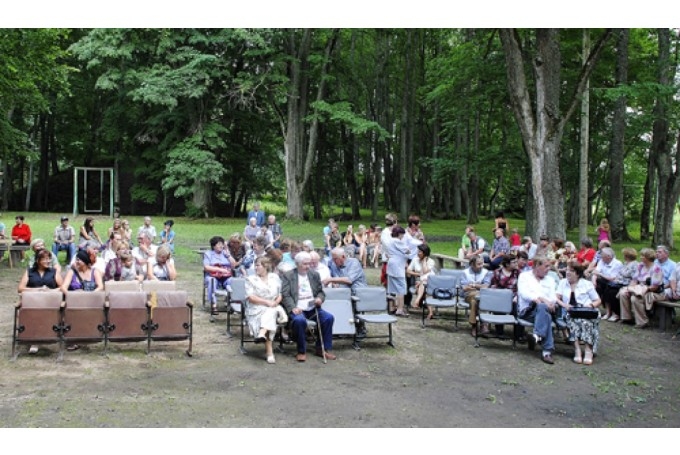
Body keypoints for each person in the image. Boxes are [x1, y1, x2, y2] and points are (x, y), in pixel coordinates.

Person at [280, 252, 335, 362]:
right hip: (297, 308)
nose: (308, 266)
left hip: (312, 307)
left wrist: (319, 299)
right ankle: (301, 351)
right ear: (297, 264)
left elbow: (320, 292)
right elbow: (285, 294)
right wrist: (292, 308)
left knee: (328, 318)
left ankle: (321, 348)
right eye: (305, 264)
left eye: (309, 263)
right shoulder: (288, 276)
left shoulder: (314, 274)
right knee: (299, 321)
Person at [17, 248, 64, 354]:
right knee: (33, 313)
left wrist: (50, 291)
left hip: (50, 302)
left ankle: (44, 337)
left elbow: (62, 287)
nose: (48, 261)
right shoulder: (29, 272)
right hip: (33, 302)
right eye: (45, 259)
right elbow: (20, 288)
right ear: (38, 260)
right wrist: (37, 290)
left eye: (49, 259)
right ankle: (34, 340)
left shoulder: (53, 272)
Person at [556, 261, 602, 365]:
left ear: (577, 273)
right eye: (567, 270)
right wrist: (564, 305)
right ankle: (577, 349)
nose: (568, 272)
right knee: (573, 321)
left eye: (571, 271)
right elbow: (556, 298)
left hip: (587, 311)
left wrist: (590, 306)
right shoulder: (563, 282)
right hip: (571, 311)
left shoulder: (587, 284)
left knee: (586, 322)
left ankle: (588, 350)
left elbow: (598, 300)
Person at [517, 256, 559, 364]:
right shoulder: (524, 276)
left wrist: (548, 302)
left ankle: (537, 335)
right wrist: (539, 298)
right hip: (528, 310)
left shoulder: (550, 280)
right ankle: (546, 351)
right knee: (546, 315)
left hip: (546, 309)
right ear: (536, 266)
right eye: (546, 266)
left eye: (549, 266)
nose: (549, 269)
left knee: (543, 309)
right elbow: (523, 293)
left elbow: (553, 297)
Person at [245, 257, 286, 364]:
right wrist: (267, 303)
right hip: (256, 308)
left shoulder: (275, 277)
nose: (256, 267)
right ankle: (269, 352)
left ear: (266, 266)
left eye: (258, 265)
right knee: (269, 315)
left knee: (270, 312)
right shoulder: (250, 279)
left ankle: (262, 334)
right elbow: (251, 297)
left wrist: (275, 302)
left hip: (274, 305)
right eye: (255, 265)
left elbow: (280, 294)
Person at [618, 248, 661, 329]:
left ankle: (642, 321)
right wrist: (630, 289)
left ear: (648, 258)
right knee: (623, 293)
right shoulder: (640, 266)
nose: (640, 258)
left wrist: (643, 290)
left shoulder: (656, 269)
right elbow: (634, 280)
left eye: (643, 256)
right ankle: (626, 318)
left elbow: (655, 287)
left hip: (652, 291)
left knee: (635, 298)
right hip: (639, 287)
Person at [203, 235, 236, 314]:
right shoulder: (208, 254)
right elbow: (206, 267)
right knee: (212, 281)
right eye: (219, 244)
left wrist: (228, 255)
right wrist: (219, 269)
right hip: (213, 276)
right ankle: (214, 305)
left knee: (233, 281)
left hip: (226, 277)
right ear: (214, 246)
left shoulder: (225, 253)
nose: (221, 246)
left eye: (222, 244)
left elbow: (234, 265)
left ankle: (232, 303)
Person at [642, 245, 677, 319]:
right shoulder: (654, 262)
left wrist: (661, 287)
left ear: (667, 254)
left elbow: (672, 280)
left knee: (663, 292)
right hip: (653, 285)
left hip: (666, 286)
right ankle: (649, 312)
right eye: (656, 252)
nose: (657, 253)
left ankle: (664, 313)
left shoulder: (673, 265)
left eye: (660, 252)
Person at [461, 254, 492, 336]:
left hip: (481, 295)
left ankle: (474, 326)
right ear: (472, 264)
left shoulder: (486, 272)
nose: (481, 266)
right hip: (468, 294)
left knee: (475, 301)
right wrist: (479, 286)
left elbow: (486, 286)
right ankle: (484, 324)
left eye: (482, 263)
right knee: (477, 297)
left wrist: (473, 285)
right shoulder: (465, 272)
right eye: (479, 264)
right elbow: (464, 288)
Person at [489, 254, 520, 336]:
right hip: (501, 297)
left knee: (518, 308)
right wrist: (502, 295)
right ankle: (499, 332)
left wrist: (516, 296)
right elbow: (493, 286)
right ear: (507, 264)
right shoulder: (497, 272)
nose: (516, 263)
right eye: (514, 262)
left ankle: (518, 334)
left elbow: (521, 288)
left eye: (516, 261)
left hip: (514, 297)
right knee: (498, 305)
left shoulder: (518, 273)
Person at [590, 247, 623, 321]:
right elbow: (595, 272)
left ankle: (614, 313)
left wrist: (600, 274)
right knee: (596, 287)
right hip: (604, 282)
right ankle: (604, 311)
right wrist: (593, 281)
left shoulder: (617, 263)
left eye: (602, 255)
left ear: (608, 256)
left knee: (608, 290)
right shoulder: (602, 261)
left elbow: (612, 278)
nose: (601, 257)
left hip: (614, 284)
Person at [386, 226, 411, 317]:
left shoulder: (390, 241)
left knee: (392, 288)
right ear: (399, 234)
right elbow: (407, 250)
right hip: (397, 267)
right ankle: (400, 309)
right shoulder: (396, 241)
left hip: (392, 265)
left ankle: (391, 307)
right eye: (402, 235)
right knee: (401, 288)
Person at [406, 244, 436, 315]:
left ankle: (417, 300)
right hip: (419, 281)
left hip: (430, 282)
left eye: (420, 252)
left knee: (423, 284)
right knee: (426, 291)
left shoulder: (431, 261)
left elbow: (425, 271)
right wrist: (418, 274)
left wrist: (424, 261)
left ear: (425, 253)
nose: (418, 253)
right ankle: (430, 312)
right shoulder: (415, 259)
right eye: (418, 251)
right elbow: (408, 270)